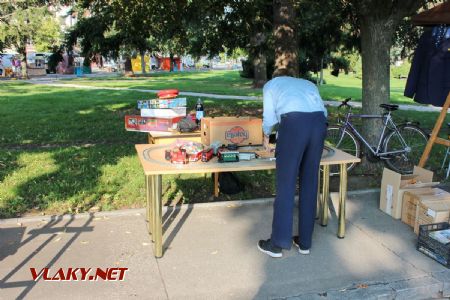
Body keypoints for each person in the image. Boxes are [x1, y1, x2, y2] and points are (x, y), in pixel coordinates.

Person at [257, 74, 327, 258]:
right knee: (309, 183)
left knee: (286, 185)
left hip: (294, 123)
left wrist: (265, 137)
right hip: (319, 123)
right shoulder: (308, 83)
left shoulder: (270, 85)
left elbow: (270, 119)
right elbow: (322, 111)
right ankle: (304, 242)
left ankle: (277, 243)